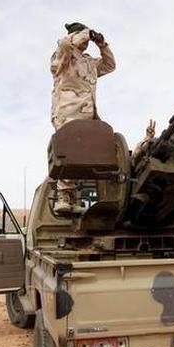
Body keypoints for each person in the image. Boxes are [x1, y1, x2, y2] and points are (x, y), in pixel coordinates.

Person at [50, 22, 116, 213]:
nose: (86, 42)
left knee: (85, 156)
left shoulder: (89, 62)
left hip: (88, 116)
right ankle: (63, 196)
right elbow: (64, 44)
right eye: (82, 37)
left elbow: (110, 65)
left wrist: (102, 44)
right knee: (68, 153)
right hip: (67, 113)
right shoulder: (64, 55)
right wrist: (83, 35)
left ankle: (74, 199)